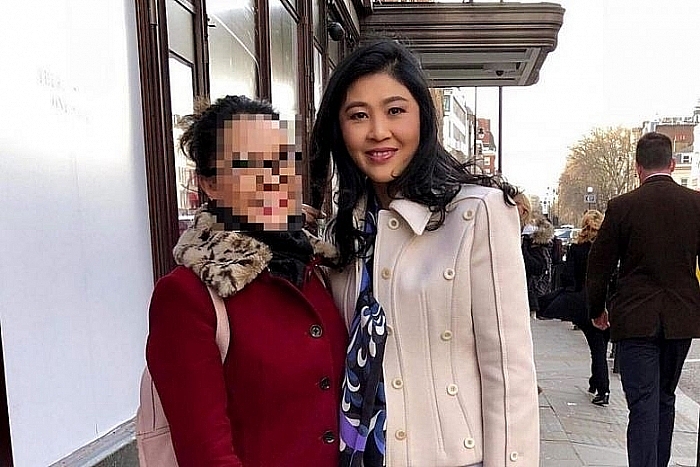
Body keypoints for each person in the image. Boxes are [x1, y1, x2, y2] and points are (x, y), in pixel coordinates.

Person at [310, 40, 539, 467]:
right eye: (358, 115)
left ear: (423, 117)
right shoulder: (341, 233)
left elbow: (509, 372)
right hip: (359, 454)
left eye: (395, 110)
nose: (378, 131)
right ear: (339, 129)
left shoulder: (477, 213)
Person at [145, 95, 348, 466]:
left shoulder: (318, 269)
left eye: (282, 160)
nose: (273, 177)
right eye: (247, 164)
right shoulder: (188, 295)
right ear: (209, 184)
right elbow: (207, 453)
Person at [587, 131, 700, 467]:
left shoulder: (622, 207)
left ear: (637, 167)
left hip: (636, 318)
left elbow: (599, 265)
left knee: (642, 404)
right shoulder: (696, 204)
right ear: (673, 163)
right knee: (665, 398)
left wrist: (597, 309)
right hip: (680, 318)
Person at [541, 210, 610, 405]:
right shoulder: (607, 249)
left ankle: (602, 388)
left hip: (584, 302)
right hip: (607, 301)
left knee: (596, 346)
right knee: (601, 345)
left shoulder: (577, 249)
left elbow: (568, 277)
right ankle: (597, 382)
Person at [522, 215, 555, 316]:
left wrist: (524, 247)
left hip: (534, 294)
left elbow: (535, 268)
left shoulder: (536, 249)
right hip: (538, 294)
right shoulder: (543, 248)